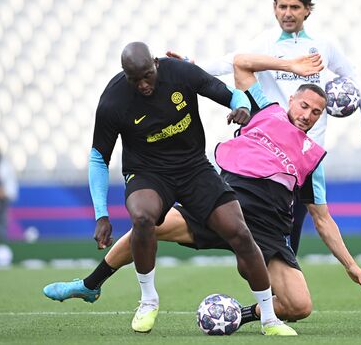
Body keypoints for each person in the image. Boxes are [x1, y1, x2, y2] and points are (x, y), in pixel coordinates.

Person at [44, 53, 361, 326]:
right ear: (291, 100)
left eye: (316, 112)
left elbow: (322, 220)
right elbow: (241, 64)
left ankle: (239, 314)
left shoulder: (312, 158)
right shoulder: (265, 111)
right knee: (146, 226)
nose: (308, 115)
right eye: (304, 105)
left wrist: (351, 266)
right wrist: (289, 65)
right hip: (220, 204)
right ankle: (91, 284)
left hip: (265, 231)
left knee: (300, 306)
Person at [80, 41, 296, 335]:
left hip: (194, 168)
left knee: (239, 232)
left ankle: (270, 319)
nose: (143, 84)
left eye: (147, 75)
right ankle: (148, 300)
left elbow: (228, 94)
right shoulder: (113, 101)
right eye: (135, 79)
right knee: (143, 218)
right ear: (125, 75)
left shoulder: (181, 73)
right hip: (147, 173)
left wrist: (242, 107)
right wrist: (101, 214)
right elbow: (98, 158)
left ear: (156, 63)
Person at [168, 0, 361, 256]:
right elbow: (234, 61)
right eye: (282, 6)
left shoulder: (323, 44)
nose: (287, 13)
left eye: (295, 7)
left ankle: (281, 284)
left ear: (307, 10)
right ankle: (271, 281)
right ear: (274, 8)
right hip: (271, 146)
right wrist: (193, 67)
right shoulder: (265, 42)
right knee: (266, 217)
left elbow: (350, 73)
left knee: (296, 220)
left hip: (306, 151)